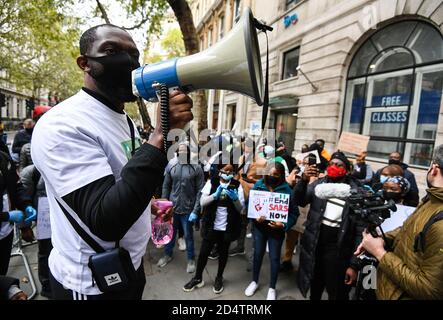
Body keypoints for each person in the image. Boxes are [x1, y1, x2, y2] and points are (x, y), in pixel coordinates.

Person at [30, 24, 192, 300]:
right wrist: (161, 135)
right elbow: (105, 219)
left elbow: (127, 178)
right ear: (85, 63)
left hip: (130, 267)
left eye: (134, 55)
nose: (128, 62)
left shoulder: (124, 119)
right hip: (90, 283)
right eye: (111, 51)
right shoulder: (62, 124)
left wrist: (149, 203)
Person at [355, 145, 443, 299]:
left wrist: (379, 253)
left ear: (434, 169)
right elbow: (410, 230)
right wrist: (381, 239)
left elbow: (429, 290)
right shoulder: (432, 199)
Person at [293, 151, 364, 300]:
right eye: (331, 164)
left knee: (336, 290)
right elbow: (299, 200)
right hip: (315, 245)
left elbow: (359, 232)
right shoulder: (319, 185)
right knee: (315, 285)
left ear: (348, 169)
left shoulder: (356, 192)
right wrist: (303, 181)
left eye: (338, 165)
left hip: (338, 250)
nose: (334, 167)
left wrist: (354, 264)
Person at [183, 164, 244, 294]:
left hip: (227, 228)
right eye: (225, 170)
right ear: (219, 170)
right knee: (204, 253)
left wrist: (235, 199)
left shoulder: (237, 185)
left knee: (223, 254)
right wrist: (214, 196)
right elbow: (202, 202)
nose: (227, 173)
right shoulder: (212, 182)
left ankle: (219, 277)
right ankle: (198, 277)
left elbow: (241, 209)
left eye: (230, 171)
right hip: (211, 226)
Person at [244, 162, 297, 300]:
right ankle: (254, 281)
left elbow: (294, 214)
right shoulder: (259, 185)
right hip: (260, 229)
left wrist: (283, 224)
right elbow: (249, 204)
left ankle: (272, 288)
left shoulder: (287, 190)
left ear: (281, 176)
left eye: (276, 174)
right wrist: (255, 217)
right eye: (270, 173)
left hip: (276, 231)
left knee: (274, 258)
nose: (272, 176)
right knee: (257, 255)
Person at [157, 142, 204, 273]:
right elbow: (166, 185)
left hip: (188, 209)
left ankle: (190, 259)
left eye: (185, 151)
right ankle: (167, 255)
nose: (182, 153)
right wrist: (164, 204)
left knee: (188, 235)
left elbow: (200, 190)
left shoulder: (196, 168)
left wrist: (196, 210)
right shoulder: (171, 165)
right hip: (172, 208)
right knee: (170, 234)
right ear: (177, 152)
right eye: (180, 151)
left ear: (189, 153)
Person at [19, 164, 53, 298]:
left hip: (66, 216)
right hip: (44, 219)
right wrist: (25, 227)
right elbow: (22, 199)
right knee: (46, 251)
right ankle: (47, 286)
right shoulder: (30, 172)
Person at [230, 141, 265, 257]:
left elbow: (265, 180)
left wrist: (252, 181)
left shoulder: (262, 162)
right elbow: (239, 175)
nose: (246, 149)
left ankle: (255, 253)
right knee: (241, 221)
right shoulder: (241, 158)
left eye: (248, 147)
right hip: (240, 192)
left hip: (254, 194)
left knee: (255, 223)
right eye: (244, 147)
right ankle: (240, 246)